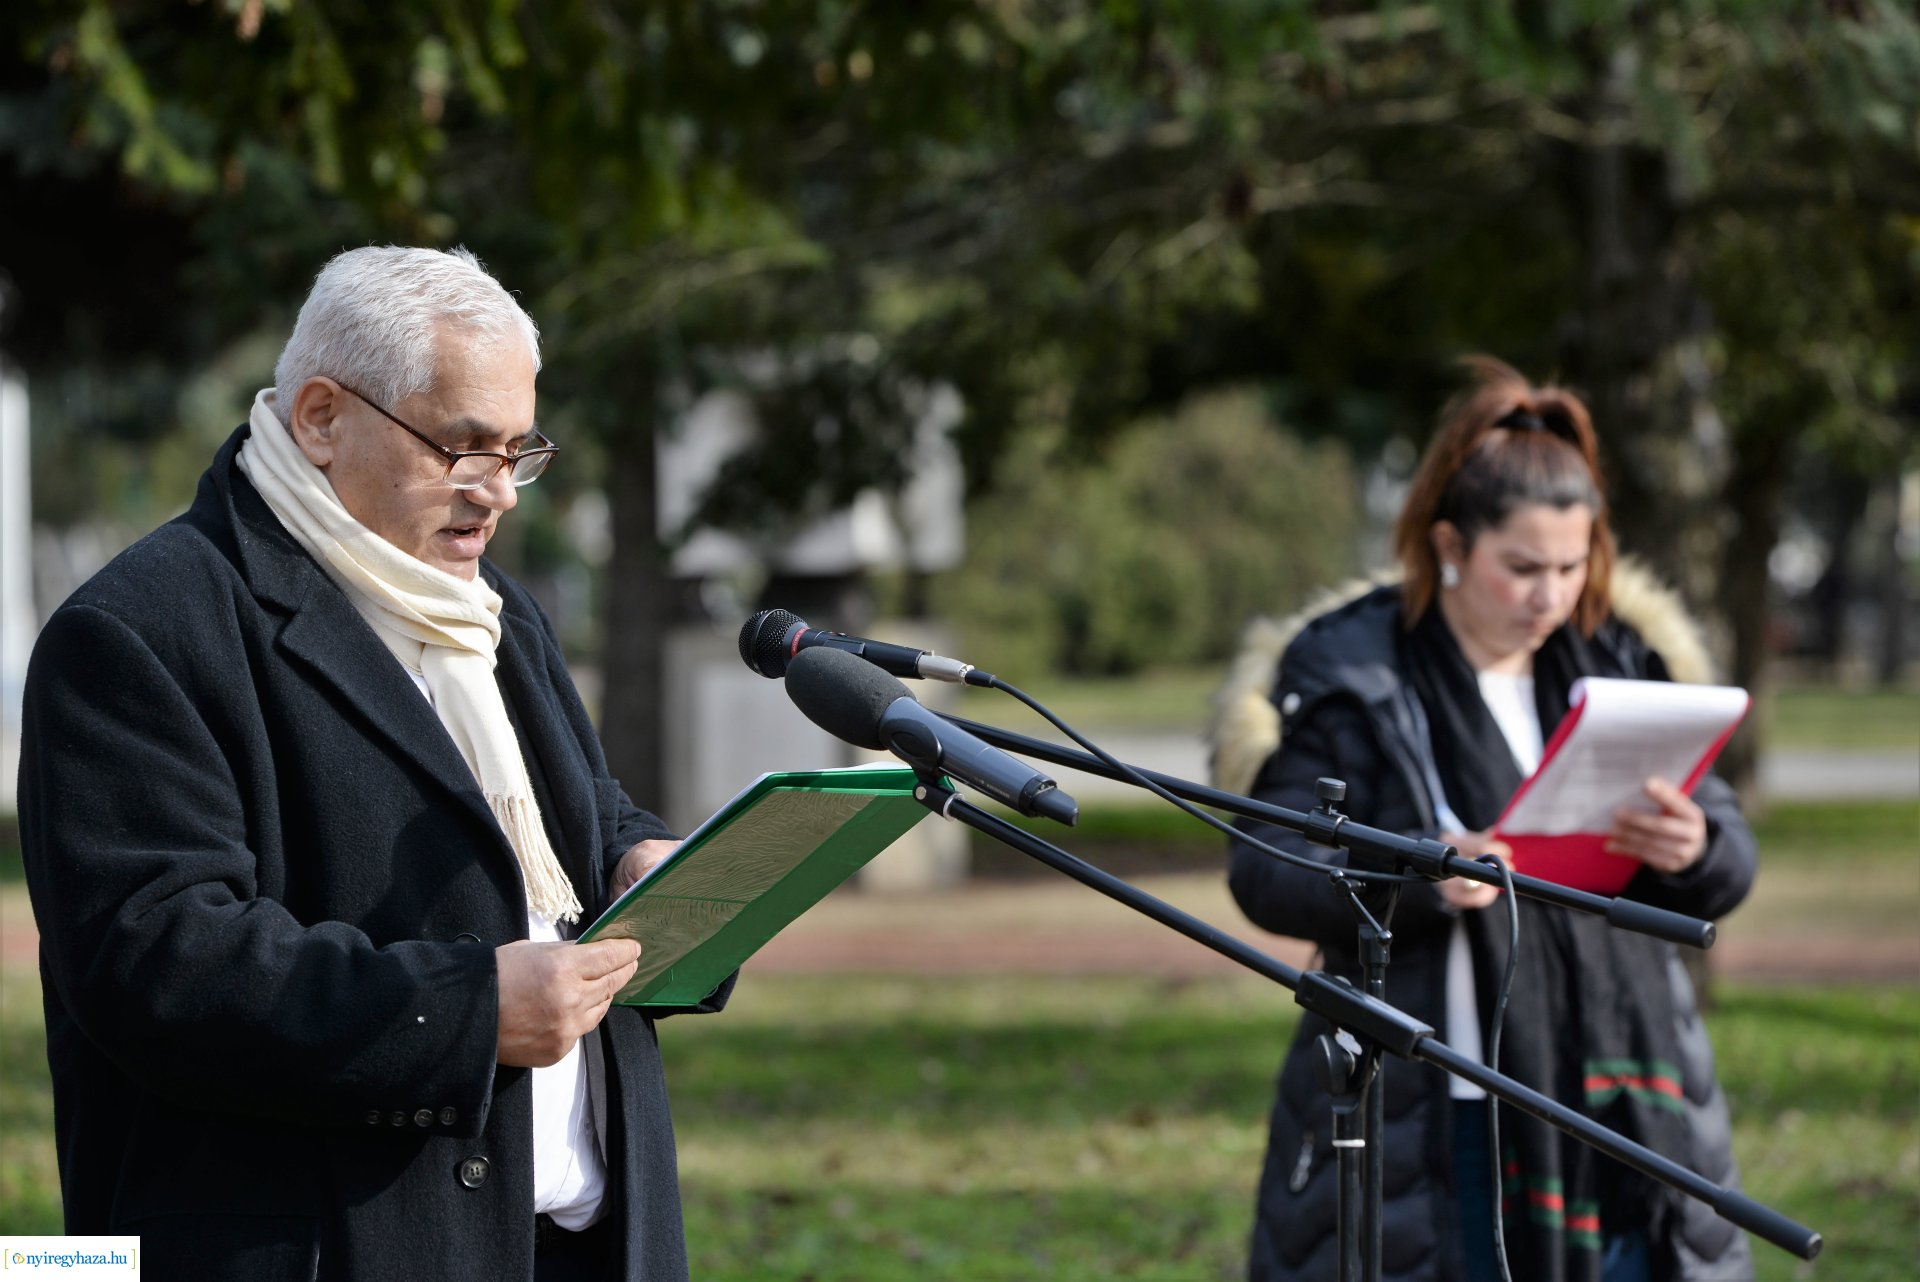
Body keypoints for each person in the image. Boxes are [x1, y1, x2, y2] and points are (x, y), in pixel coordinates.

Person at [18, 245, 729, 1282]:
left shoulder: (495, 611)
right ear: (319, 417)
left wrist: (638, 857)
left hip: (579, 1247)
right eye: (464, 447)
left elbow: (566, 815)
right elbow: (158, 961)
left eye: (519, 453)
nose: (499, 495)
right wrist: (468, 1012)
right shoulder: (140, 630)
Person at [1210, 357, 1756, 1282]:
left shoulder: (1622, 656)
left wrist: (1693, 846)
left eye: (1572, 565)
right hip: (1438, 1101)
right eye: (1522, 568)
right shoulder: (1353, 673)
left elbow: (1730, 854)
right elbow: (1266, 866)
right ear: (1452, 544)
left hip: (1622, 1101)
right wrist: (1418, 877)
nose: (1549, 594)